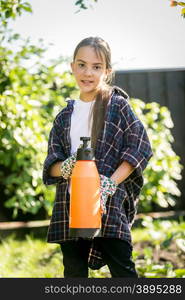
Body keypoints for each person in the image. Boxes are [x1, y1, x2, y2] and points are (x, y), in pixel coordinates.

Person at [43, 36, 153, 278]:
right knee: (74, 273)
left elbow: (140, 147)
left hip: (108, 203)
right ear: (72, 67)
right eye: (81, 64)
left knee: (123, 271)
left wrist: (109, 184)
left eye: (96, 66)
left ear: (107, 71)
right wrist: (67, 167)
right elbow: (51, 166)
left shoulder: (117, 106)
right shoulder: (64, 117)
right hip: (72, 207)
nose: (87, 72)